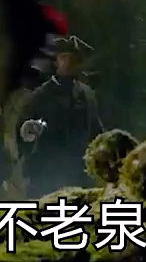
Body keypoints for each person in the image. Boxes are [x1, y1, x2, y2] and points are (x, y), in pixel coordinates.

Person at [20, 36, 102, 197]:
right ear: (56, 61)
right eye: (64, 57)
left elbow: (96, 130)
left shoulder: (87, 95)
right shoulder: (41, 96)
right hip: (47, 173)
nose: (68, 62)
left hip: (79, 173)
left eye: (73, 59)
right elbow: (22, 133)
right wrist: (28, 131)